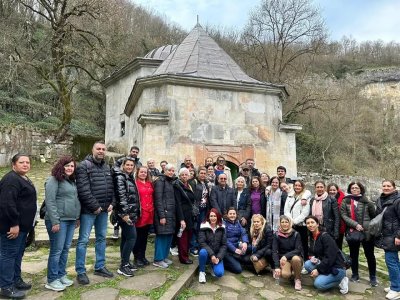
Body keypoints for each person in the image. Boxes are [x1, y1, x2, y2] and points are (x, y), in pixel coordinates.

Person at [75, 141, 115, 285]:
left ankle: (100, 266)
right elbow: (83, 190)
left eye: (103, 149)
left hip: (104, 211)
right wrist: (95, 206)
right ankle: (80, 271)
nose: (101, 151)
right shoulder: (84, 166)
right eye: (98, 149)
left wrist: (112, 203)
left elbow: (112, 187)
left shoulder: (106, 166)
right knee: (83, 241)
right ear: (93, 150)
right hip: (88, 211)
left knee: (101, 238)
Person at [0, 154, 37, 299]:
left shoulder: (22, 178)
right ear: (13, 165)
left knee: (17, 255)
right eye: (21, 162)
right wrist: (14, 224)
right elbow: (7, 204)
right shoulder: (11, 180)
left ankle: (16, 280)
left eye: (27, 162)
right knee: (8, 255)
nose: (25, 164)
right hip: (12, 227)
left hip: (23, 227)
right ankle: (6, 287)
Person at [44, 156, 81, 291]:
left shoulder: (72, 181)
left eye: (72, 166)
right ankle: (52, 279)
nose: (70, 168)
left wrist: (77, 217)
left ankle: (61, 274)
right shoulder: (53, 180)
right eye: (67, 166)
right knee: (56, 251)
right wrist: (55, 221)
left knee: (65, 250)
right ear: (61, 166)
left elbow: (75, 200)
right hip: (58, 221)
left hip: (70, 220)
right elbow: (50, 201)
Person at [340, 181, 377, 285]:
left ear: (361, 189)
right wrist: (355, 225)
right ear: (349, 189)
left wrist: (367, 227)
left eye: (357, 188)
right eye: (352, 188)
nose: (355, 189)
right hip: (353, 231)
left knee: (369, 255)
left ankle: (373, 277)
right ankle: (355, 274)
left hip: (367, 232)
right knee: (353, 255)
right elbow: (343, 215)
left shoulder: (367, 201)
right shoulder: (346, 201)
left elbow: (373, 216)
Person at [303, 216, 349, 294]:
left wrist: (318, 270)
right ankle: (325, 277)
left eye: (312, 222)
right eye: (308, 223)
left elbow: (330, 257)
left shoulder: (325, 237)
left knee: (318, 284)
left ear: (317, 224)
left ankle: (341, 280)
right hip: (326, 264)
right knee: (307, 264)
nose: (310, 225)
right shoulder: (312, 237)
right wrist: (315, 258)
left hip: (337, 267)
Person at [153, 164, 185, 268]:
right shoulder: (160, 181)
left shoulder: (171, 182)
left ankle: (164, 257)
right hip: (164, 214)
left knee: (169, 236)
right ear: (164, 171)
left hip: (171, 214)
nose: (171, 172)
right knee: (162, 236)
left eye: (173, 170)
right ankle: (158, 259)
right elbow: (158, 200)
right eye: (169, 170)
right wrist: (162, 216)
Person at [112, 157, 140, 277]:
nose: (129, 167)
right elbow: (121, 196)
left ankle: (126, 262)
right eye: (127, 165)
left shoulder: (129, 177)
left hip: (130, 212)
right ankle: (123, 266)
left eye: (131, 165)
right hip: (125, 214)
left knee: (125, 238)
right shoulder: (120, 177)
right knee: (132, 237)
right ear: (123, 165)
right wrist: (124, 214)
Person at [375, 180, 400, 300]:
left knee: (391, 262)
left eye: (388, 186)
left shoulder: (398, 200)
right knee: (393, 261)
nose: (386, 188)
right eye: (384, 185)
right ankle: (396, 285)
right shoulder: (381, 199)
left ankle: (396, 289)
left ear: (394, 187)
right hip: (385, 235)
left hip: (393, 235)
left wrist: (398, 236)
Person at [272, 215, 303, 291]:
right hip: (284, 260)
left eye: (286, 222)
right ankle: (292, 270)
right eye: (282, 222)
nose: (284, 224)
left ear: (290, 223)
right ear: (279, 223)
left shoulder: (296, 234)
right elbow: (274, 251)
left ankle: (297, 279)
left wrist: (286, 256)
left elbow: (298, 250)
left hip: (296, 258)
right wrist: (277, 267)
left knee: (295, 259)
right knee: (285, 275)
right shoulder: (276, 235)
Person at [132, 166, 154, 267]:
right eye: (141, 172)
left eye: (145, 172)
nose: (143, 174)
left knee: (145, 237)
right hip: (140, 213)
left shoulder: (150, 183)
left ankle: (143, 256)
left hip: (149, 213)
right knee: (138, 237)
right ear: (138, 173)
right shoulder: (135, 183)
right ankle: (137, 257)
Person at [198, 208, 227, 283]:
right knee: (202, 252)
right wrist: (212, 255)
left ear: (218, 217)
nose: (213, 218)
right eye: (211, 216)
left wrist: (219, 257)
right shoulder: (204, 226)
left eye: (215, 216)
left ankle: (212, 266)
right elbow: (202, 243)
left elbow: (224, 245)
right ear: (208, 217)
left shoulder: (222, 228)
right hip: (207, 254)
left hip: (217, 255)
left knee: (219, 273)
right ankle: (202, 272)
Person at [284, 180, 311, 258]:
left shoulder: (305, 197)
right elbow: (286, 210)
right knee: (291, 244)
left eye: (299, 185)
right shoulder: (290, 196)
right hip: (290, 224)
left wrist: (294, 222)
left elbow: (305, 213)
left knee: (303, 244)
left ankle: (304, 260)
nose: (297, 187)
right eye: (296, 185)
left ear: (302, 187)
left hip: (301, 225)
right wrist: (290, 221)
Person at [174, 168, 195, 264]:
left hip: (189, 214)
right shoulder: (178, 186)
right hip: (182, 215)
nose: (184, 176)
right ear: (179, 176)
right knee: (183, 237)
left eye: (186, 175)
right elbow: (178, 203)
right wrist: (181, 219)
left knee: (189, 235)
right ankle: (183, 258)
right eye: (182, 175)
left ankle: (185, 254)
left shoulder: (189, 185)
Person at [190, 167, 210, 256]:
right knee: (195, 228)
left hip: (204, 209)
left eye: (204, 173)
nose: (203, 175)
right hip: (196, 208)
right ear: (198, 174)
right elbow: (192, 196)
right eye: (201, 173)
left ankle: (198, 245)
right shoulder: (194, 182)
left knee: (200, 228)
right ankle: (193, 247)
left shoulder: (205, 183)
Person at [223, 207, 249, 274]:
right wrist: (234, 249)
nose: (232, 215)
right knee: (238, 270)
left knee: (250, 248)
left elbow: (243, 233)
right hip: (227, 251)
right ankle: (225, 262)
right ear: (227, 215)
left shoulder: (237, 222)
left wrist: (245, 242)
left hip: (237, 245)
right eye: (230, 214)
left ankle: (236, 259)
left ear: (236, 214)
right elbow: (224, 239)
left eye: (234, 213)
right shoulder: (224, 224)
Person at [327, 183, 346, 249]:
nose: (332, 192)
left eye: (334, 190)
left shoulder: (343, 200)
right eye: (330, 190)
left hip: (339, 225)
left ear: (337, 190)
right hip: (328, 226)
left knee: (338, 246)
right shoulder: (326, 199)